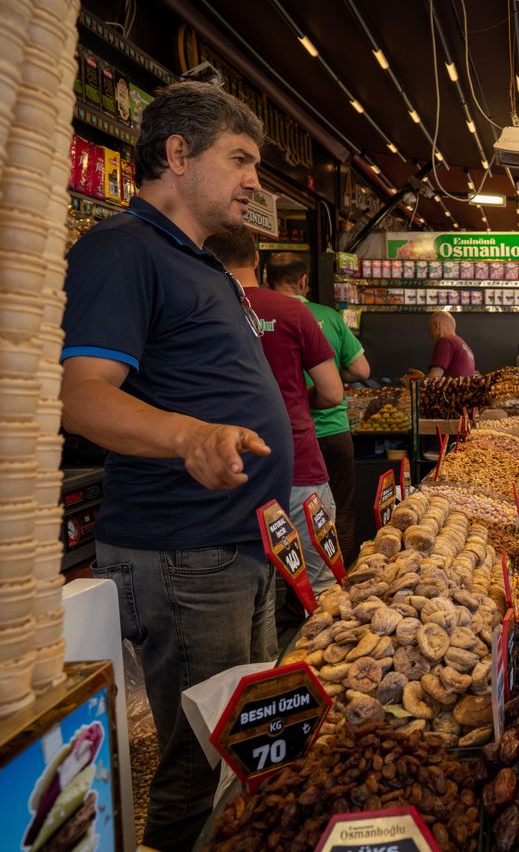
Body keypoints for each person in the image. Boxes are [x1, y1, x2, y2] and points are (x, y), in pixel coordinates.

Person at [59, 81, 291, 851]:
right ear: (177, 154)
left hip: (238, 543)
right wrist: (191, 437)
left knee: (243, 748)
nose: (253, 182)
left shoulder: (204, 266)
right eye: (240, 160)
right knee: (197, 762)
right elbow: (80, 397)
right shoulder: (119, 250)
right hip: (185, 552)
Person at [204, 233, 344, 633]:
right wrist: (296, 402)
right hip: (298, 465)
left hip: (230, 476)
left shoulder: (205, 311)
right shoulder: (294, 312)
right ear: (258, 263)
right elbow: (333, 392)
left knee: (254, 601)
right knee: (322, 592)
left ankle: (268, 684)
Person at [260, 251, 370, 566]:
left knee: (282, 518)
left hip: (284, 438)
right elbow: (361, 371)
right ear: (305, 281)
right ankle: (341, 575)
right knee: (340, 510)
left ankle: (292, 588)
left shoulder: (256, 316)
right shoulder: (329, 317)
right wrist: (332, 373)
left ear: (266, 280)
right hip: (333, 432)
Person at [425, 311, 476, 378]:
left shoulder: (445, 341)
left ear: (436, 325)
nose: (430, 333)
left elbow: (433, 378)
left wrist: (412, 382)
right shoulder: (462, 344)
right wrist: (423, 377)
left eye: (430, 328)